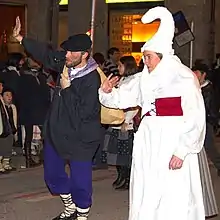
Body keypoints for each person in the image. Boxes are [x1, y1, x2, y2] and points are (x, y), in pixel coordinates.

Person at [99, 7, 206, 220]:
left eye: (149, 57)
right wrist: (107, 92)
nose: (145, 62)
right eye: (145, 57)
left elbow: (196, 116)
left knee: (173, 190)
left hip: (173, 141)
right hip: (148, 141)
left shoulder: (184, 78)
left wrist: (182, 150)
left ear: (162, 56)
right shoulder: (143, 79)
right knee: (148, 186)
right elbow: (123, 99)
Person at [13, 17, 101, 220]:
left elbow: (85, 113)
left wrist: (68, 89)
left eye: (72, 52)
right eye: (67, 51)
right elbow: (46, 54)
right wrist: (21, 38)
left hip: (81, 138)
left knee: (81, 182)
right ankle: (69, 206)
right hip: (57, 132)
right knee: (52, 175)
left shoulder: (91, 78)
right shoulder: (65, 63)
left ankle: (81, 214)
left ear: (85, 55)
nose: (66, 55)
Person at [104, 56, 139, 190]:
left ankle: (127, 178)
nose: (118, 68)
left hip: (125, 124)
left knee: (125, 155)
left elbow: (135, 106)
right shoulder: (122, 80)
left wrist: (127, 120)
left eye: (120, 66)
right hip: (116, 122)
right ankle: (121, 176)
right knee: (116, 155)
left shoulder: (133, 82)